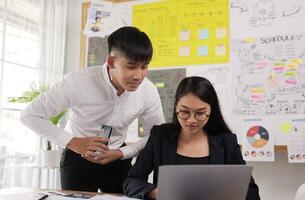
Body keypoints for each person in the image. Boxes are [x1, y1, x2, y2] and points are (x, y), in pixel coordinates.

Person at [21, 26, 165, 193]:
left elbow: (155, 134)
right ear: (111, 62)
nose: (139, 76)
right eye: (131, 67)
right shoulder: (76, 83)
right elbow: (30, 115)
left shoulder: (148, 91)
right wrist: (73, 142)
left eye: (144, 67)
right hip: (77, 158)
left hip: (118, 159)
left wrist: (121, 152)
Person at [123, 76, 260, 200]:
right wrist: (156, 193)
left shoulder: (227, 142)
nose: (191, 120)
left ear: (211, 110)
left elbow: (250, 190)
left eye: (200, 113)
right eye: (184, 112)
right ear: (176, 106)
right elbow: (131, 181)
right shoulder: (160, 136)